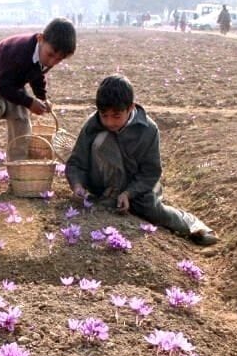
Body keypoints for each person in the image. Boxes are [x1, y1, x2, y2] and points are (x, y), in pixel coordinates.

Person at [66, 75, 218, 246]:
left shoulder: (148, 130)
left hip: (135, 185)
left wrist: (128, 193)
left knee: (153, 211)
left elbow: (150, 172)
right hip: (102, 185)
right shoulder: (92, 125)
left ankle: (193, 225)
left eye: (116, 116)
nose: (109, 122)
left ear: (130, 108)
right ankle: (111, 196)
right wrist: (77, 185)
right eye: (104, 115)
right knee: (103, 140)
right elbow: (76, 162)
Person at [0, 17, 76, 184]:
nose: (52, 61)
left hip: (13, 83)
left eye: (58, 59)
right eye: (50, 55)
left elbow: (37, 75)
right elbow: (1, 85)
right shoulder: (18, 51)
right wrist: (29, 102)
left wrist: (42, 98)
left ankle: (18, 164)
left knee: (21, 119)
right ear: (40, 39)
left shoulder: (46, 55)